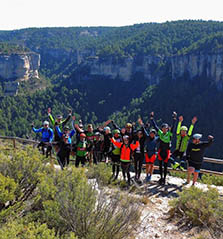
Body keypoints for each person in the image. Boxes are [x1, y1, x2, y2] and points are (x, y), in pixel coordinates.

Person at [150, 111, 177, 185]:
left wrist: (174, 118)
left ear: (168, 129)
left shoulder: (169, 134)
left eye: (166, 128)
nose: (165, 129)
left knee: (165, 166)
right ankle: (161, 178)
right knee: (160, 166)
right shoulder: (160, 133)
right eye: (163, 128)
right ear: (162, 129)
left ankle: (164, 179)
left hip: (166, 152)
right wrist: (152, 118)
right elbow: (155, 126)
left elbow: (173, 127)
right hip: (161, 151)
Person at [139, 117, 159, 182]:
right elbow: (143, 130)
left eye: (153, 133)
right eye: (151, 133)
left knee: (152, 165)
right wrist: (142, 125)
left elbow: (162, 135)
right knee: (147, 164)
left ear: (154, 134)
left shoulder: (156, 139)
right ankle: (147, 174)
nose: (152, 134)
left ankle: (150, 175)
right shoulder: (147, 137)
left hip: (153, 153)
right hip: (147, 152)